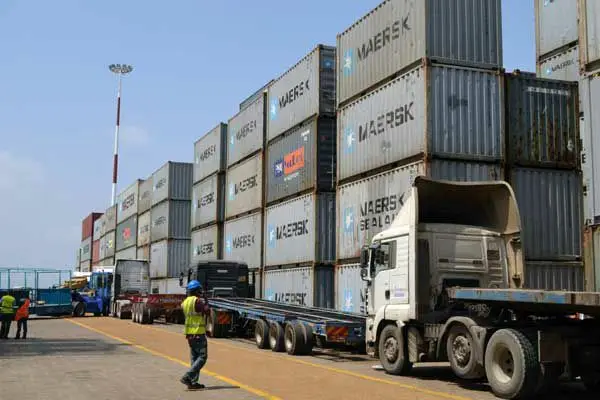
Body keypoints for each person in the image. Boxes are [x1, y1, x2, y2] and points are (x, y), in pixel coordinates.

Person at [180, 280, 210, 390]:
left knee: (194, 358)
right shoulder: (197, 301)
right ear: (196, 291)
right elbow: (207, 311)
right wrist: (206, 300)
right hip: (198, 333)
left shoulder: (185, 302)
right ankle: (187, 377)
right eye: (200, 290)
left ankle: (192, 383)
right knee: (202, 357)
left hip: (189, 334)